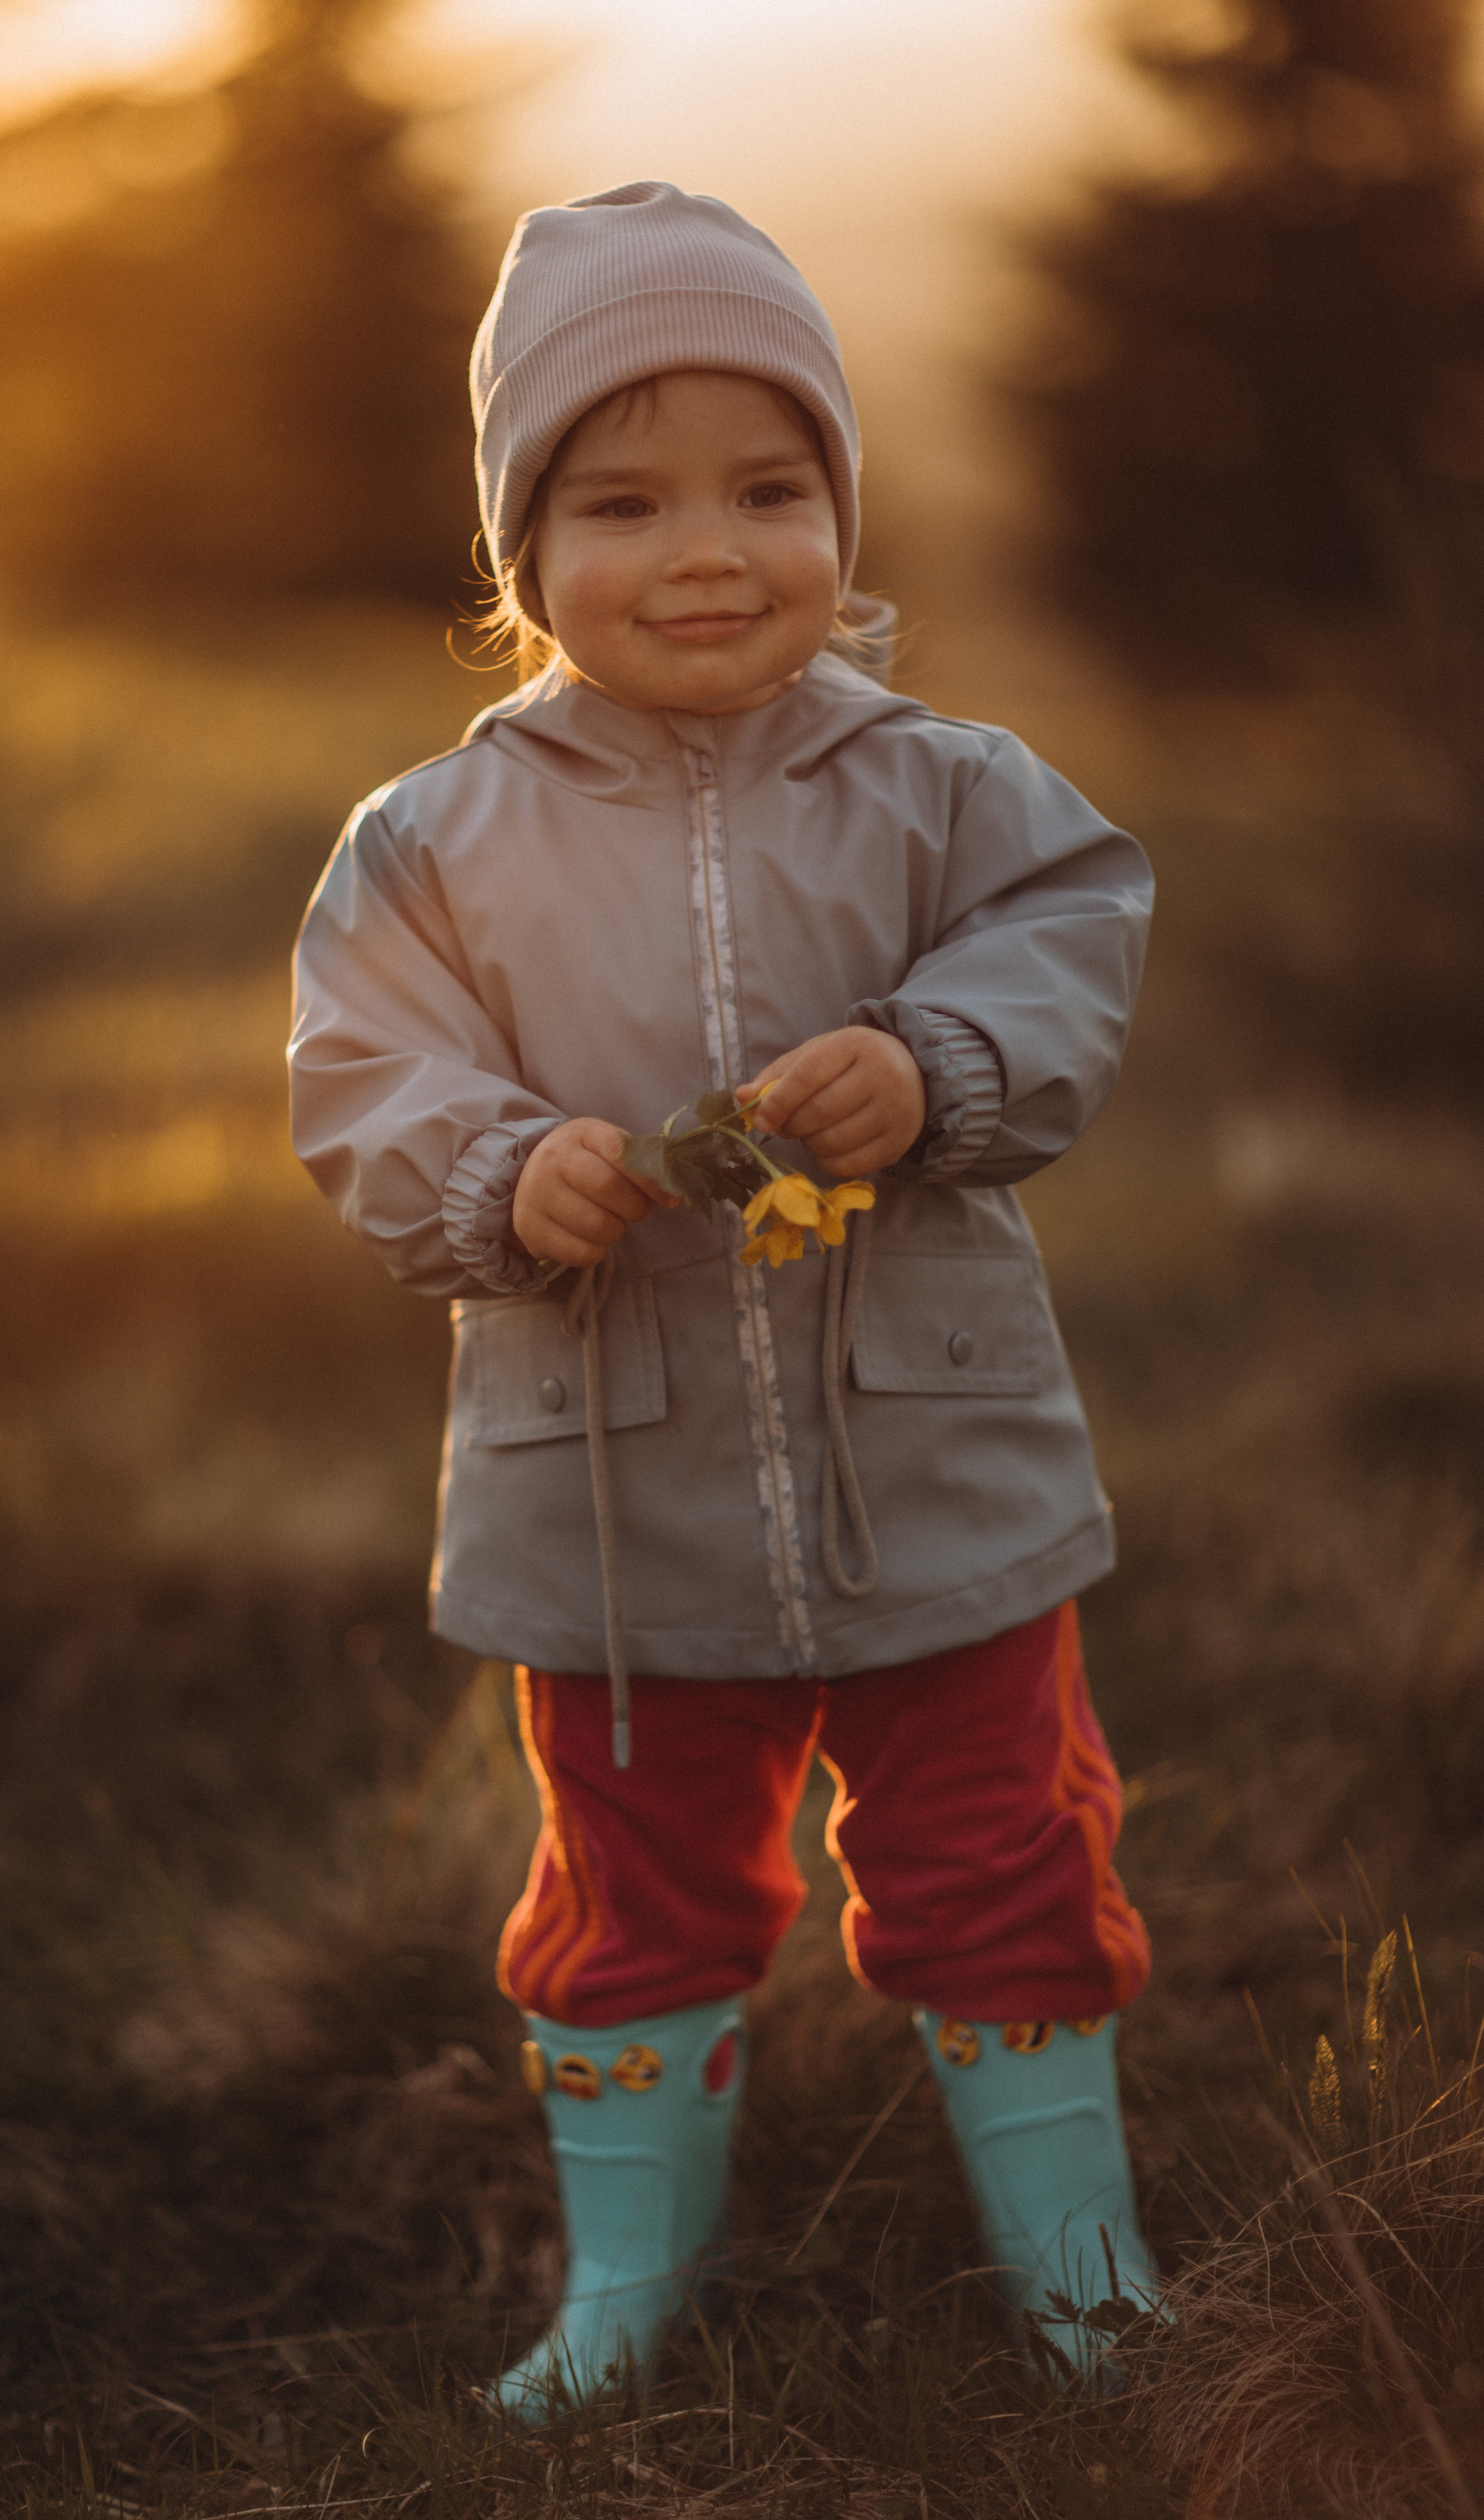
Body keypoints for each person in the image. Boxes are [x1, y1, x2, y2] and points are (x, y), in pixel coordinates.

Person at [289, 180, 1161, 2414]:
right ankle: (623, 2297)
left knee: (1003, 1847)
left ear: (841, 510)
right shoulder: (429, 844)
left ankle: (1081, 2276)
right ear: (521, 548)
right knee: (633, 1881)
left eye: (771, 489)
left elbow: (1069, 937)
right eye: (625, 497)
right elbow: (363, 1078)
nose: (707, 546)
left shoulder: (947, 789)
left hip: (933, 1460)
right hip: (611, 1506)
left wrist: (941, 1058)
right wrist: (501, 1168)